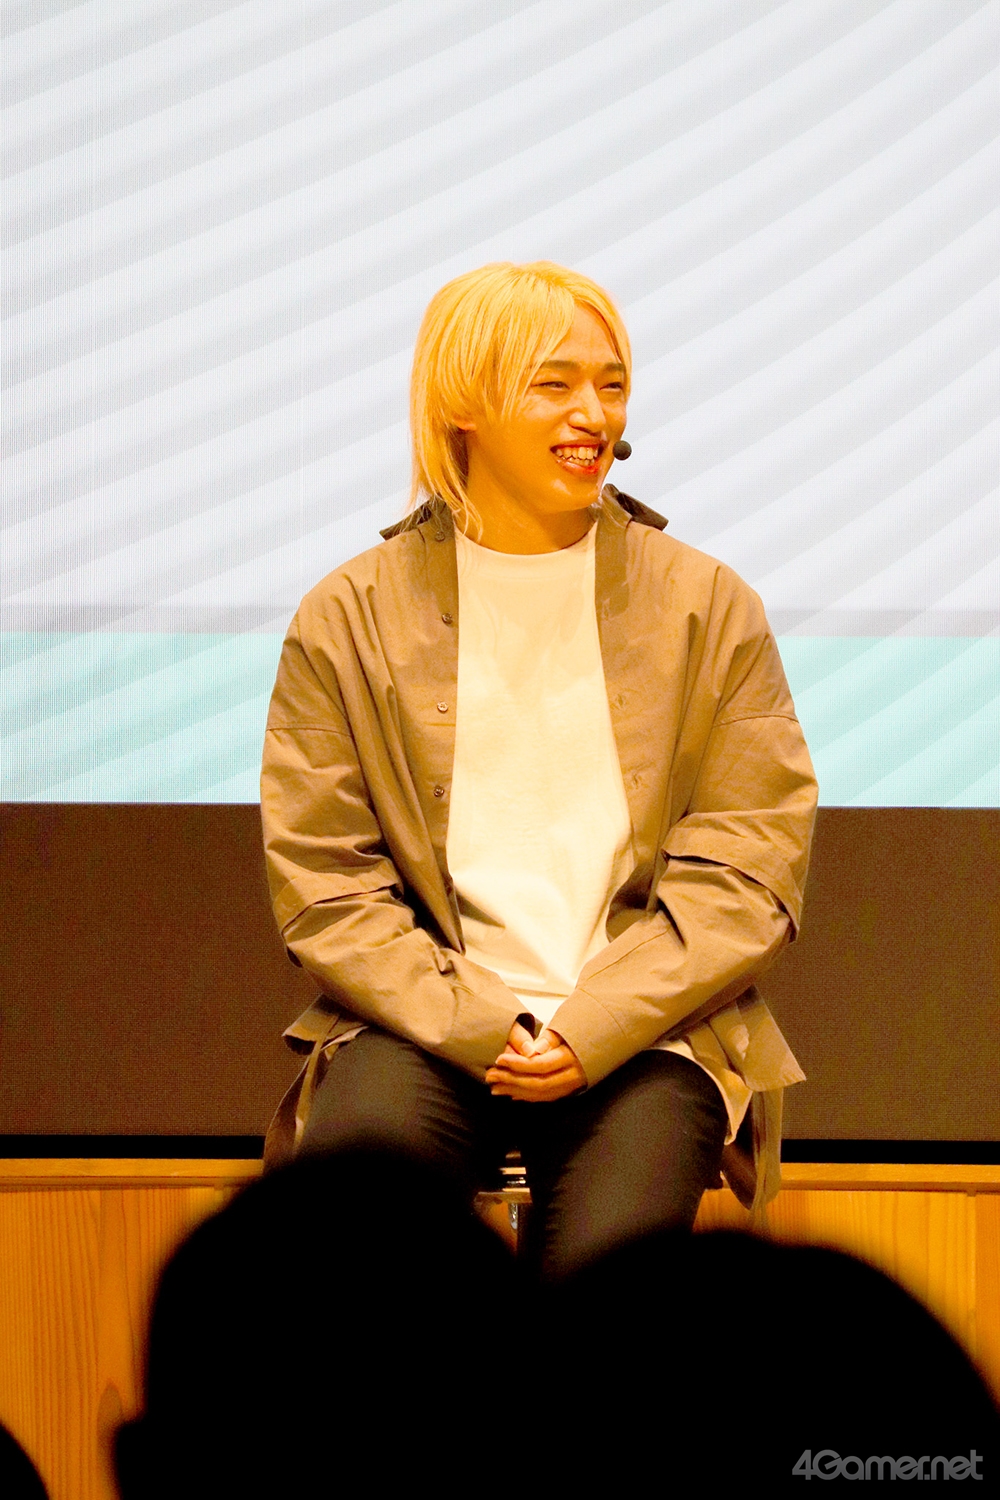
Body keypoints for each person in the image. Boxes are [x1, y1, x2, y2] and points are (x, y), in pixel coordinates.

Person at [260, 261, 817, 1278]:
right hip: (421, 1025)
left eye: (611, 385)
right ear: (463, 405)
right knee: (353, 1252)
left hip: (649, 1033)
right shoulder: (347, 616)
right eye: (554, 384)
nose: (592, 415)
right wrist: (486, 1024)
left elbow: (749, 866)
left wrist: (593, 1023)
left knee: (609, 1287)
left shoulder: (707, 603)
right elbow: (329, 884)